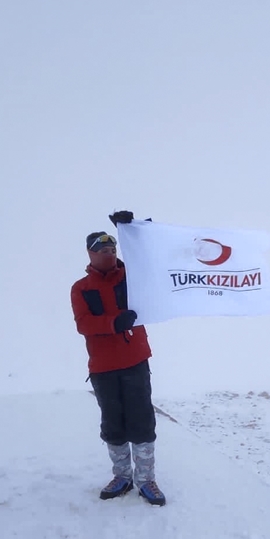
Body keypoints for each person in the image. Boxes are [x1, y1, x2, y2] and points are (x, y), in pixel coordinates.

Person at [71, 211, 166, 506]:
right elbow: (83, 323)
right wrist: (114, 322)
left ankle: (146, 480)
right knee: (113, 425)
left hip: (135, 361)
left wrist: (134, 232)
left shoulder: (132, 276)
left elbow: (149, 261)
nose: (110, 254)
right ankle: (122, 477)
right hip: (103, 368)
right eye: (103, 250)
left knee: (142, 422)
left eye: (113, 249)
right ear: (90, 253)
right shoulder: (81, 288)